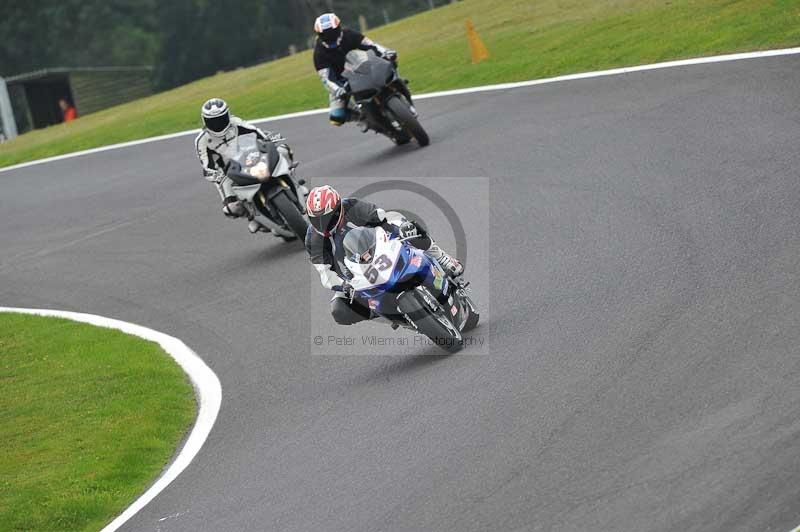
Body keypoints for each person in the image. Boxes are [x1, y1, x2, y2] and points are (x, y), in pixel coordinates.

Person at [304, 185, 463, 325]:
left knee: (410, 228)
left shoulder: (352, 206)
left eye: (326, 217)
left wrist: (401, 230)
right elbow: (325, 273)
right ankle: (387, 314)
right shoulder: (313, 239)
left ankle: (443, 258)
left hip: (381, 250)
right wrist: (344, 285)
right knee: (339, 310)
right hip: (354, 276)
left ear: (339, 208)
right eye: (316, 220)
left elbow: (384, 219)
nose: (322, 224)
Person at [195, 97, 296, 234]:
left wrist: (268, 140)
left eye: (220, 118)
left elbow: (255, 131)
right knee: (231, 208)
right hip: (228, 171)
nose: (217, 123)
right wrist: (212, 173)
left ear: (227, 115)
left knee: (283, 149)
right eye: (213, 121)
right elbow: (205, 163)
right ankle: (252, 217)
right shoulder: (202, 140)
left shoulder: (236, 122)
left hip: (250, 157)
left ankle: (293, 179)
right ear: (205, 120)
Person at [312, 13, 398, 126]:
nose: (330, 36)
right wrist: (338, 89)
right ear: (319, 34)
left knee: (390, 62)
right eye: (326, 34)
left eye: (332, 32)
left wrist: (386, 52)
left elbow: (371, 45)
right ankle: (363, 118)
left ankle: (399, 86)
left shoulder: (349, 34)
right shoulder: (319, 53)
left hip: (360, 66)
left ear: (338, 28)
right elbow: (326, 78)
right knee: (336, 118)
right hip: (341, 81)